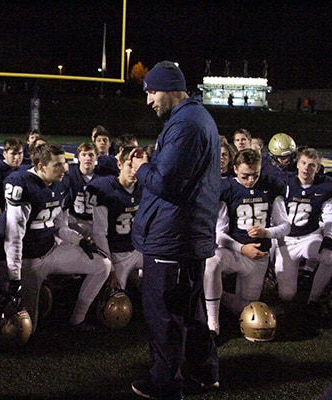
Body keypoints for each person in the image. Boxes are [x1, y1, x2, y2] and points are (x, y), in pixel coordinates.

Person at [130, 61, 219, 399]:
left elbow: (166, 183)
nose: (149, 99)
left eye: (151, 91)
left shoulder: (186, 124)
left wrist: (141, 168)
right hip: (186, 236)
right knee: (190, 309)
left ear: (168, 88)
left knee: (164, 313)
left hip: (173, 237)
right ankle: (204, 371)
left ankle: (166, 383)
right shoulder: (194, 119)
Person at [0, 143, 110, 332]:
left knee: (102, 264)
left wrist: (79, 241)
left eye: (64, 163)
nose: (65, 168)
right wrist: (14, 277)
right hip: (26, 259)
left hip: (49, 250)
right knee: (27, 327)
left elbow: (59, 227)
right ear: (41, 166)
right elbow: (14, 237)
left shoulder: (62, 183)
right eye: (57, 164)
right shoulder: (21, 184)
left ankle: (77, 320)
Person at [204, 149, 290, 336]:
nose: (251, 181)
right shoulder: (227, 188)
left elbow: (285, 227)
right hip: (234, 253)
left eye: (255, 175)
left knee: (245, 309)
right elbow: (219, 234)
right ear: (235, 169)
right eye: (245, 176)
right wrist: (242, 248)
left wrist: (267, 232)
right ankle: (212, 323)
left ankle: (212, 295)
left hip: (259, 258)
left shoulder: (271, 186)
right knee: (211, 262)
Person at [274, 148, 332, 307]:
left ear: (318, 168)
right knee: (286, 295)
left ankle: (314, 298)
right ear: (297, 164)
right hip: (286, 240)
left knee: (330, 256)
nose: (307, 168)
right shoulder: (284, 182)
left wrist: (328, 238)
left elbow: (329, 214)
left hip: (310, 236)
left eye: (312, 165)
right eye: (304, 163)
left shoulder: (325, 186)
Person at [87, 145, 143, 290]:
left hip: (139, 250)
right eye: (129, 166)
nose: (134, 171)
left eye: (137, 167)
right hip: (118, 253)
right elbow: (100, 233)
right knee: (116, 303)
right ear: (119, 164)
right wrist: (110, 266)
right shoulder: (105, 190)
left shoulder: (144, 187)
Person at [64, 142, 100, 237]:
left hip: (95, 222)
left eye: (91, 155)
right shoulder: (70, 172)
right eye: (84, 155)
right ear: (78, 157)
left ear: (96, 157)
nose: (87, 158)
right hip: (74, 220)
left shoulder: (103, 175)